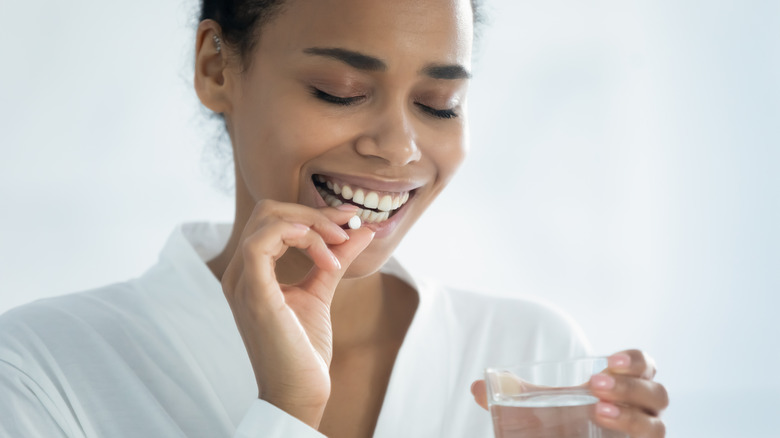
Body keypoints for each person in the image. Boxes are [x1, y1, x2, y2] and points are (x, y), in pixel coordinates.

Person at [0, 0, 669, 437]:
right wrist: (286, 414)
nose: (400, 147)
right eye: (340, 92)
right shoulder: (39, 370)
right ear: (215, 68)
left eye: (439, 102)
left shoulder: (524, 353)